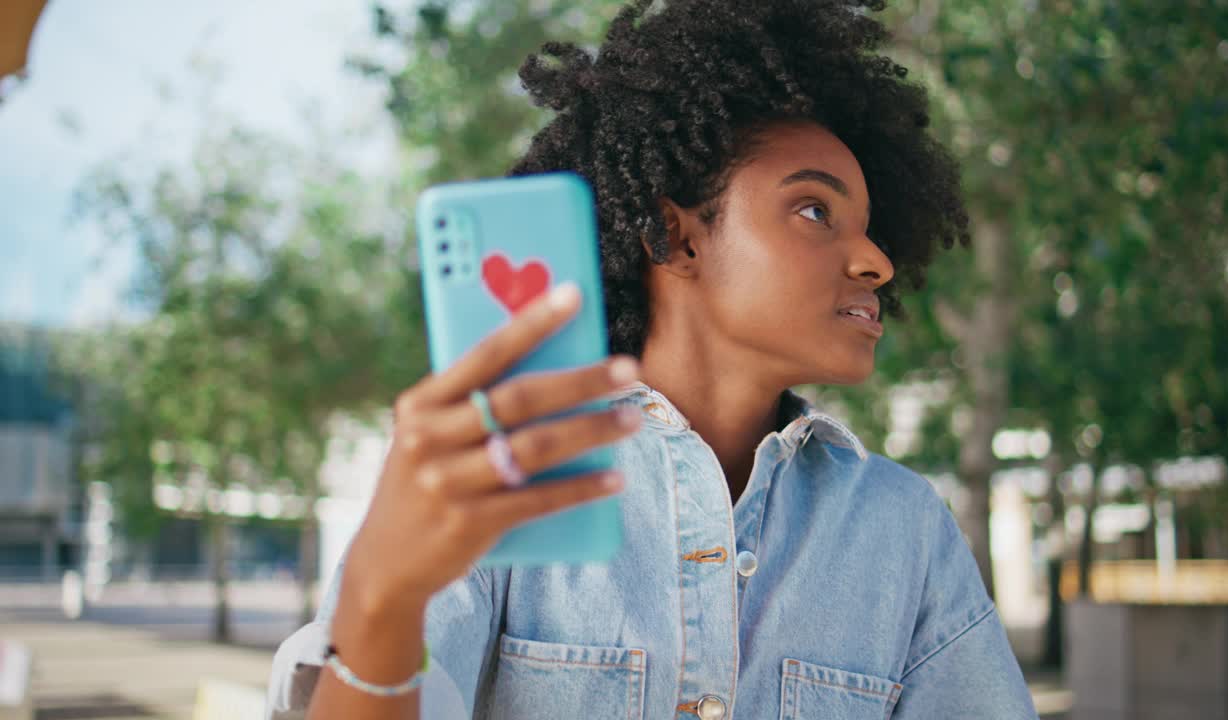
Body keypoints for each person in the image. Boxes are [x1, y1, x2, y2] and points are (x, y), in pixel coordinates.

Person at [266, 0, 1038, 717]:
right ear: (676, 236)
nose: (876, 261)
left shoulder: (902, 528)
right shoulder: (510, 481)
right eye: (815, 210)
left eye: (871, 229)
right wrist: (380, 605)